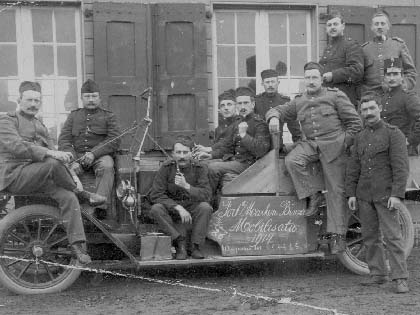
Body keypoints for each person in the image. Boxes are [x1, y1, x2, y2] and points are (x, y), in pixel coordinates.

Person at [0, 81, 106, 264]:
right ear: (19, 100)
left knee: (67, 197)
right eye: (29, 100)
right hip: (14, 174)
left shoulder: (40, 125)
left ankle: (78, 246)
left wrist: (73, 176)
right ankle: (83, 194)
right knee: (52, 163)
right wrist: (51, 153)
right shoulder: (7, 120)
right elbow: (17, 147)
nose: (33, 104)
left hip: (38, 175)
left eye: (37, 100)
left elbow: (56, 156)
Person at [266, 62, 362, 254]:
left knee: (336, 191)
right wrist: (274, 118)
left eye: (314, 77)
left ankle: (337, 237)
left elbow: (356, 124)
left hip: (335, 147)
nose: (311, 81)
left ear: (321, 79)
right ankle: (312, 194)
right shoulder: (299, 100)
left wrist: (342, 143)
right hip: (311, 144)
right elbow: (277, 110)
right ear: (304, 80)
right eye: (307, 78)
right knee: (292, 160)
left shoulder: (335, 96)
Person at [346, 94, 409, 293]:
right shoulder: (360, 137)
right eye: (364, 110)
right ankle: (378, 274)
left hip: (385, 195)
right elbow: (354, 167)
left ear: (380, 108)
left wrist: (397, 194)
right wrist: (352, 194)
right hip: (364, 196)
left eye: (372, 108)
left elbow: (401, 167)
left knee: (392, 237)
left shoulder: (393, 134)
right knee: (370, 237)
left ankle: (400, 278)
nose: (368, 113)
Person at [58, 79, 121, 219]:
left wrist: (94, 153)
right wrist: (73, 159)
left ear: (100, 98)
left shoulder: (108, 116)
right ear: (81, 98)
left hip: (100, 155)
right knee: (66, 172)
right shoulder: (73, 116)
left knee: (107, 165)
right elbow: (64, 140)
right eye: (87, 96)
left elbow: (114, 139)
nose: (91, 100)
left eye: (94, 96)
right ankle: (73, 211)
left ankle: (100, 208)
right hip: (77, 156)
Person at [148, 135, 213, 260]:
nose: (182, 156)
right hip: (172, 208)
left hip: (192, 206)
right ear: (173, 154)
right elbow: (156, 194)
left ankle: (195, 246)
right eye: (178, 152)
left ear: (191, 153)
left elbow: (206, 194)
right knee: (156, 209)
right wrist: (177, 207)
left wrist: (186, 186)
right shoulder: (166, 168)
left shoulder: (200, 168)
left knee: (205, 207)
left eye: (185, 152)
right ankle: (180, 243)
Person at [207, 86, 271, 193]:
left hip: (250, 165)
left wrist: (244, 135)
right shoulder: (237, 122)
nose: (242, 106)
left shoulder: (259, 124)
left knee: (213, 168)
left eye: (246, 103)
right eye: (240, 103)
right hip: (236, 161)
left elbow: (261, 150)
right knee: (204, 164)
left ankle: (211, 201)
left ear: (253, 104)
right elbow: (227, 146)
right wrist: (210, 155)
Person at [361, 10, 417, 96]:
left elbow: (410, 72)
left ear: (388, 26)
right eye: (376, 24)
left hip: (395, 96)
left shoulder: (398, 45)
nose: (379, 27)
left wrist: (402, 87)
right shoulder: (364, 49)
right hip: (371, 98)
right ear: (372, 27)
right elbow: (358, 77)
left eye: (383, 24)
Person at [319, 11, 364, 106]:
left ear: (343, 26)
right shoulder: (327, 49)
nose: (332, 27)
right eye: (329, 25)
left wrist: (333, 75)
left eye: (335, 24)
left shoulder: (350, 45)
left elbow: (357, 70)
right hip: (328, 100)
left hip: (345, 99)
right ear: (326, 29)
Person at [379, 57, 420, 154]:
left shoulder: (409, 97)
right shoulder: (383, 98)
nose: (392, 78)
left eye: (396, 74)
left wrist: (410, 140)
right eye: (389, 74)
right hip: (387, 150)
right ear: (384, 77)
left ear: (402, 76)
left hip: (405, 151)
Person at [254, 69, 301, 149]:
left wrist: (299, 145)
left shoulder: (285, 101)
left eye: (273, 82)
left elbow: (294, 128)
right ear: (262, 83)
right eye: (267, 82)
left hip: (277, 146)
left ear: (278, 83)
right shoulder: (256, 101)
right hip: (258, 146)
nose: (270, 85)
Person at [193, 89, 238, 160]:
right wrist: (203, 149)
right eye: (222, 105)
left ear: (236, 107)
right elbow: (217, 145)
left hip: (232, 159)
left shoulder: (239, 124)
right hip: (220, 157)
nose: (226, 108)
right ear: (219, 109)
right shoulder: (219, 128)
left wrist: (210, 151)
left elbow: (228, 147)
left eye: (229, 104)